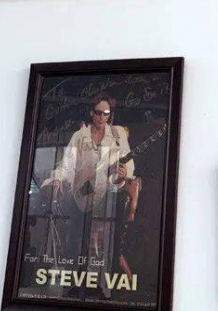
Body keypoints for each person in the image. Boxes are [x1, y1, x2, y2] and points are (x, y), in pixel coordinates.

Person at [36, 95, 136, 299]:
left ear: (110, 115)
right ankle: (72, 288)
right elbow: (68, 164)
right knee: (74, 241)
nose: (101, 117)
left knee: (103, 245)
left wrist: (124, 173)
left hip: (106, 199)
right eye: (98, 112)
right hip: (80, 197)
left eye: (106, 113)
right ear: (92, 113)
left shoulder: (117, 135)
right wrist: (58, 178)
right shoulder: (80, 136)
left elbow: (129, 168)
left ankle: (101, 289)